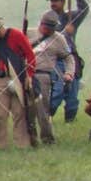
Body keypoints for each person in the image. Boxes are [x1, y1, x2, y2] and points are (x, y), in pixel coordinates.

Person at [0, 16, 36, 148]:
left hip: (18, 76)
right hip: (0, 77)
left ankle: (22, 144)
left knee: (19, 112)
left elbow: (30, 56)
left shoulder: (17, 35)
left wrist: (29, 76)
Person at [46, 0, 90, 123]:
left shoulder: (70, 16)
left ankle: (70, 122)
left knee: (72, 96)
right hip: (55, 60)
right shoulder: (48, 19)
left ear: (63, 1)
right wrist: (65, 31)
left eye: (56, 0)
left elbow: (84, 9)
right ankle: (47, 118)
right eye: (52, 1)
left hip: (71, 58)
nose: (53, 3)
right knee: (57, 92)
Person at [28, 13, 71, 147]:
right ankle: (30, 140)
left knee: (42, 110)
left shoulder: (59, 39)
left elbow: (68, 58)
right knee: (27, 110)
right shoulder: (27, 33)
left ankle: (48, 140)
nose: (51, 30)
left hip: (43, 76)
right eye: (48, 27)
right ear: (41, 24)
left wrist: (69, 73)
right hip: (25, 75)